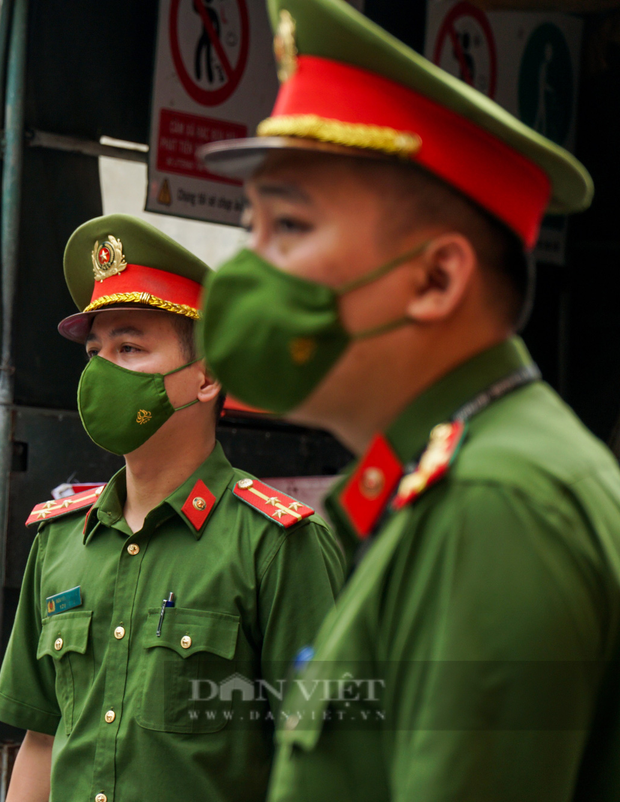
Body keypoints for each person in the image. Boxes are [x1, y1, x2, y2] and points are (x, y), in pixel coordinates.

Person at [196, 1, 620, 800]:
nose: (248, 271)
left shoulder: (495, 503)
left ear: (436, 279)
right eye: (251, 229)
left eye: (288, 225)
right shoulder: (428, 487)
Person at [0, 214, 346, 802]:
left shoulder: (276, 544)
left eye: (130, 348)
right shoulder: (59, 541)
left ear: (204, 377)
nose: (102, 370)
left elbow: (321, 759)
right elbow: (43, 741)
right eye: (95, 350)